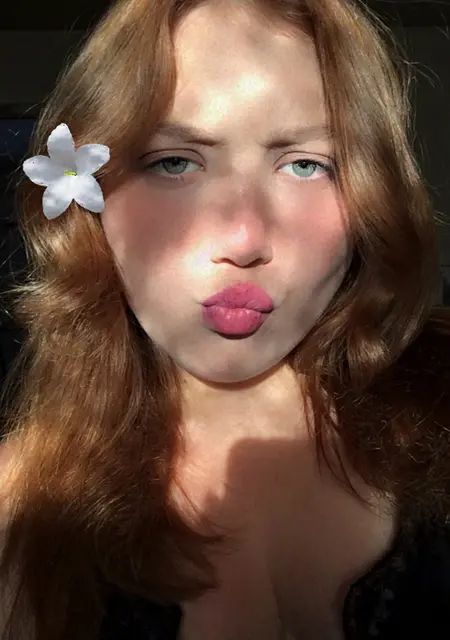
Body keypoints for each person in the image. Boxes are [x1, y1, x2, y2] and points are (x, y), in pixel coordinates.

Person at [0, 0, 449, 638]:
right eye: (174, 162)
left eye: (306, 165)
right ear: (88, 202)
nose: (243, 239)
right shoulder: (19, 513)